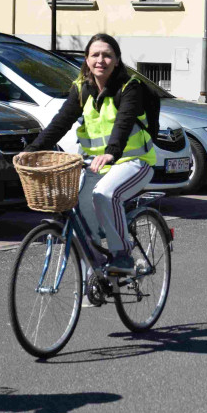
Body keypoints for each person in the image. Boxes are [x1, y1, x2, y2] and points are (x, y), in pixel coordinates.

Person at [21, 33, 155, 275]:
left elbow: (123, 124)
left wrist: (112, 152)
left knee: (105, 194)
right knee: (81, 222)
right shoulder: (82, 89)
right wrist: (31, 151)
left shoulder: (129, 88)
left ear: (116, 60)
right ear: (86, 59)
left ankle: (122, 254)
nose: (100, 60)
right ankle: (92, 281)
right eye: (95, 55)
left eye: (107, 55)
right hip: (95, 165)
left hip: (134, 162)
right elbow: (59, 123)